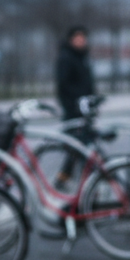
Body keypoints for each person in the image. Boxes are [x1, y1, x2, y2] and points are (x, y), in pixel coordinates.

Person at [54, 26, 96, 185]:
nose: (81, 41)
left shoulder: (82, 57)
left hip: (84, 109)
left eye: (83, 38)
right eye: (77, 38)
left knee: (78, 148)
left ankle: (66, 178)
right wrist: (73, 106)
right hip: (74, 111)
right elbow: (63, 85)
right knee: (79, 147)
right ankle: (88, 182)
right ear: (71, 40)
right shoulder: (66, 58)